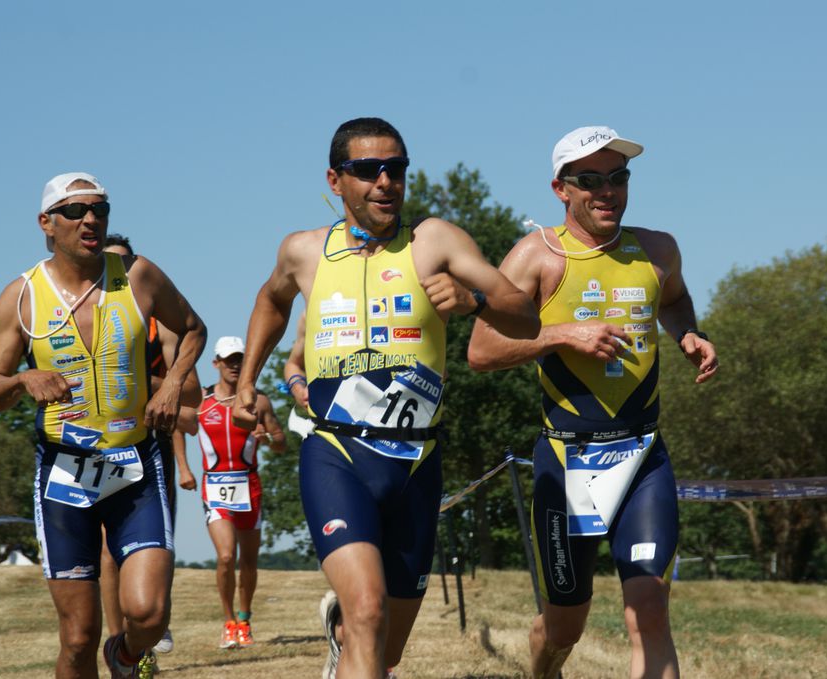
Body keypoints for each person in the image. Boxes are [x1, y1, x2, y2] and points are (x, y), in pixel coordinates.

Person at [232, 117, 540, 679]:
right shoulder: (304, 251)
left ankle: (345, 641)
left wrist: (473, 300)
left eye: (395, 168)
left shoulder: (436, 241)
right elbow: (271, 303)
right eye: (367, 170)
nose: (384, 181)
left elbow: (523, 311)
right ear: (335, 179)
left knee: (384, 647)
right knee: (369, 610)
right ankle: (353, 630)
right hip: (338, 454)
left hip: (416, 463)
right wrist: (248, 379)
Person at [468, 126, 719, 679]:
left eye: (619, 177)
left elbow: (674, 300)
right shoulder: (538, 256)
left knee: (648, 609)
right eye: (591, 180)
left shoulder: (657, 250)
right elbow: (481, 350)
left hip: (641, 456)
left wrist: (687, 335)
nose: (608, 191)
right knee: (563, 625)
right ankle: (544, 671)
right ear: (562, 188)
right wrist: (560, 335)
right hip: (566, 462)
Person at [0, 172, 207, 679]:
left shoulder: (138, 275)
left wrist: (170, 386)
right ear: (46, 223)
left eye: (100, 209)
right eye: (76, 211)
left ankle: (122, 657)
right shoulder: (22, 296)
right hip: (64, 475)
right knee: (77, 637)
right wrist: (22, 379)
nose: (91, 220)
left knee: (148, 616)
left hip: (136, 466)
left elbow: (193, 329)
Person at [98, 234, 201, 669]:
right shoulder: (81, 316)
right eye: (109, 266)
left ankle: (144, 632)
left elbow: (192, 399)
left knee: (151, 549)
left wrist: (133, 380)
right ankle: (117, 642)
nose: (119, 275)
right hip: (98, 445)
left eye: (127, 264)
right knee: (106, 551)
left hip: (149, 446)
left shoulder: (161, 324)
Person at [197, 336, 286, 649]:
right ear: (216, 363)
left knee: (248, 560)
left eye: (239, 359)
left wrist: (267, 439)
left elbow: (281, 442)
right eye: (228, 359)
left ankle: (245, 619)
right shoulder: (201, 401)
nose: (234, 365)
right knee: (225, 556)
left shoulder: (259, 401)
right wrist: (182, 467)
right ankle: (228, 622)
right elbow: (178, 429)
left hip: (249, 486)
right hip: (214, 485)